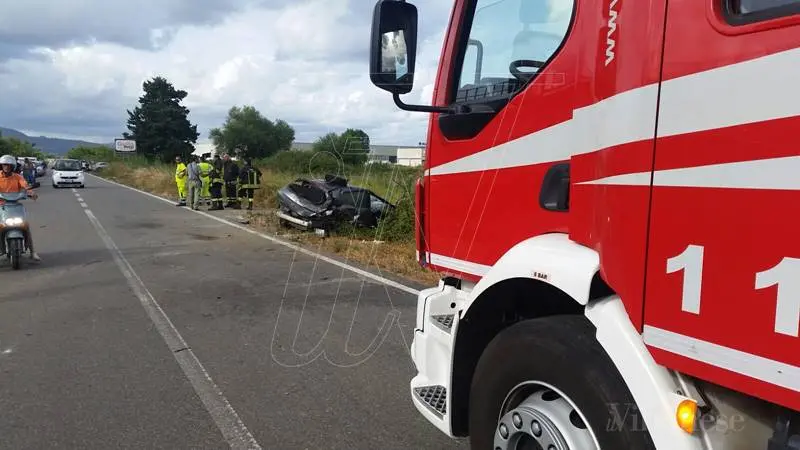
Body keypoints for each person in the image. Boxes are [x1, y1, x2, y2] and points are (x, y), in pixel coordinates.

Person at [0, 154, 40, 261]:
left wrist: (30, 192)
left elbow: (25, 186)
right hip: (1, 206)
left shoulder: (18, 177)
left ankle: (32, 252)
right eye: (4, 165)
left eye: (8, 165)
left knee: (25, 226)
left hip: (15, 205)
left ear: (13, 166)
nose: (6, 167)